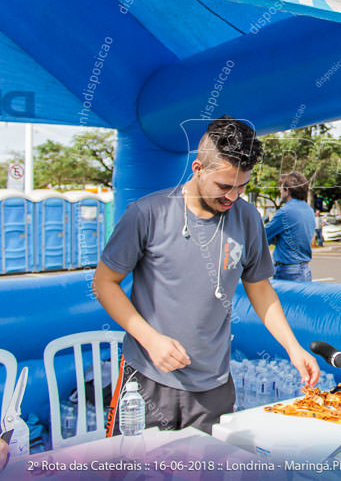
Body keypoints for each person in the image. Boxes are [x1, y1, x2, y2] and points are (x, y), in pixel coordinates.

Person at [93, 116, 320, 433]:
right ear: (198, 169)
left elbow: (260, 289)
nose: (232, 197)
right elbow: (104, 284)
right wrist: (151, 339)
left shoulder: (247, 218)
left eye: (242, 186)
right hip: (148, 378)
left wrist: (293, 348)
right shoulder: (147, 214)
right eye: (224, 186)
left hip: (213, 385)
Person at [265, 172, 315, 281]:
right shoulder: (309, 210)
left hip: (288, 271)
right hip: (305, 269)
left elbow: (263, 236)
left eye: (281, 188)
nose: (280, 191)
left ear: (287, 190)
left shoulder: (285, 212)